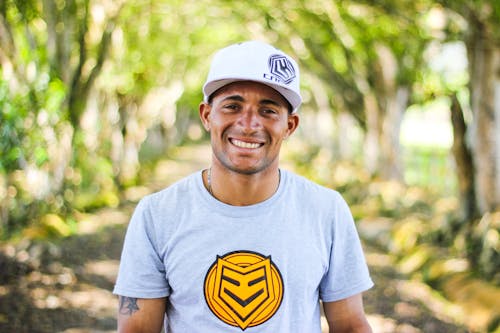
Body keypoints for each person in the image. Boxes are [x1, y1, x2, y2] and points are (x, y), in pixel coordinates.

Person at [113, 40, 373, 333]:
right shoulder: (157, 215)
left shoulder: (327, 211)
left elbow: (351, 326)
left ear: (290, 125)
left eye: (268, 110)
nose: (248, 124)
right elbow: (136, 330)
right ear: (207, 115)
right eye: (233, 106)